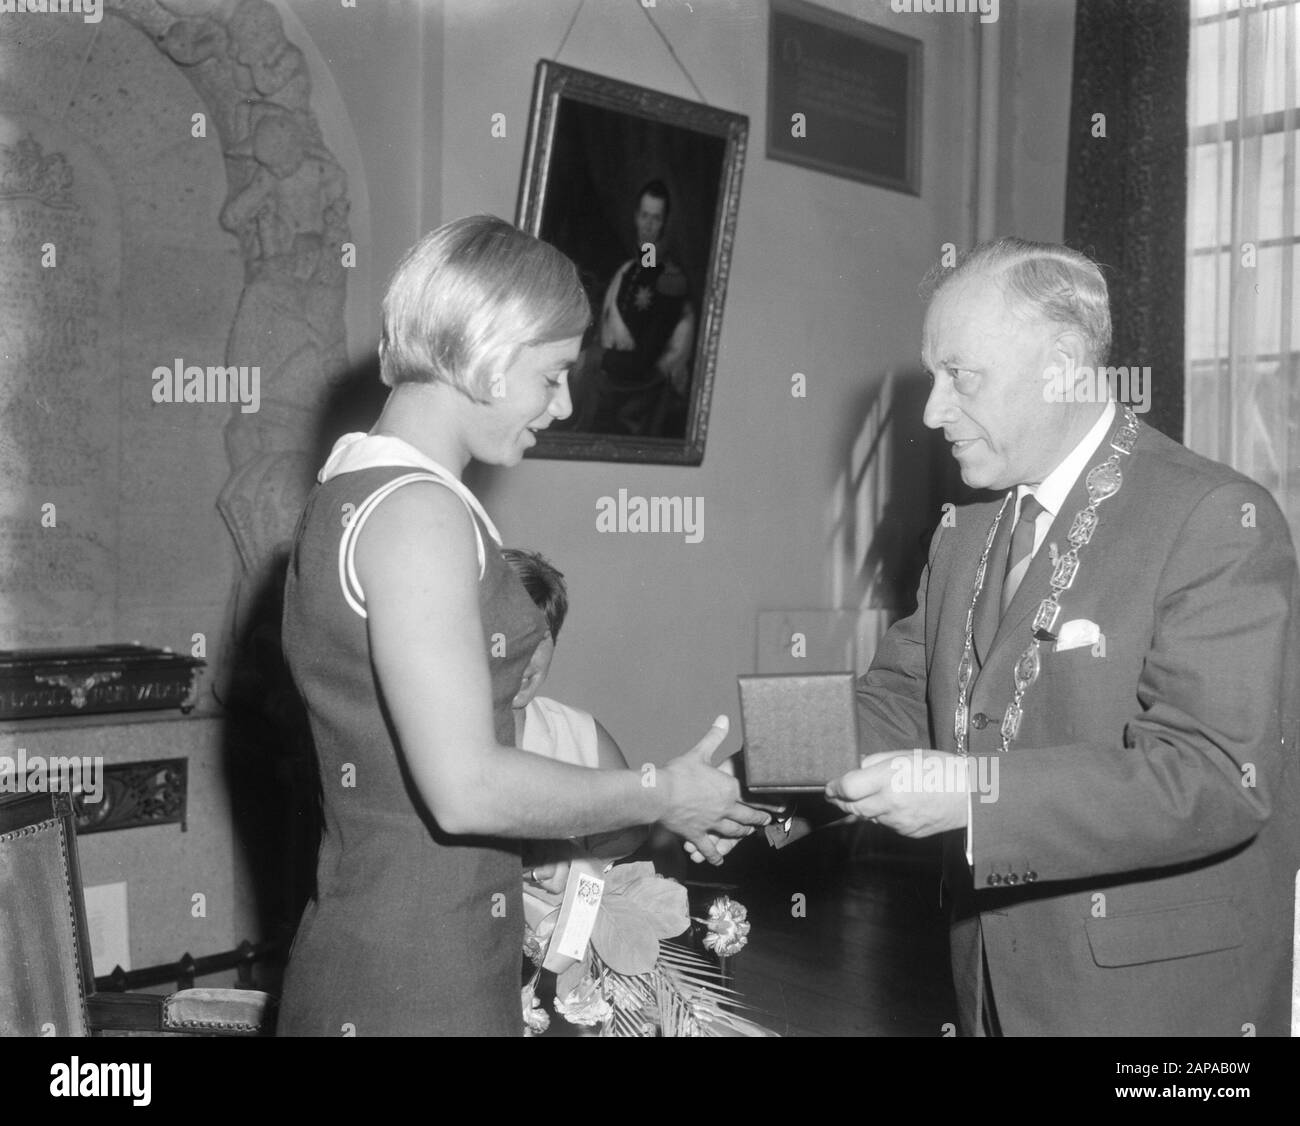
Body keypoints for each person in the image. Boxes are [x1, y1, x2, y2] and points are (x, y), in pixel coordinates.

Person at [277, 216, 767, 1037]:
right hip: (421, 981)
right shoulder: (421, 515)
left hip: (379, 947)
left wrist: (659, 808)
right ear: (487, 353)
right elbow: (466, 789)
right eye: (553, 375)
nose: (564, 403)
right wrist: (658, 788)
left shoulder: (350, 491)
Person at [823, 238, 1300, 1036]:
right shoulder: (966, 530)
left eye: (961, 377)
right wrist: (756, 776)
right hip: (991, 987)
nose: (933, 410)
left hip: (1151, 1012)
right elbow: (904, 701)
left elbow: (1216, 777)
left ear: (1065, 364)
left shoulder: (1216, 520)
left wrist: (973, 801)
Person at [581, 179, 695, 438]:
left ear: (664, 223)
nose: (648, 225)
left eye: (656, 218)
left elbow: (645, 363)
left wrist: (599, 358)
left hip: (635, 395)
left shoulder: (670, 281)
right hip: (609, 381)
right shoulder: (627, 271)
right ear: (635, 217)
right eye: (644, 215)